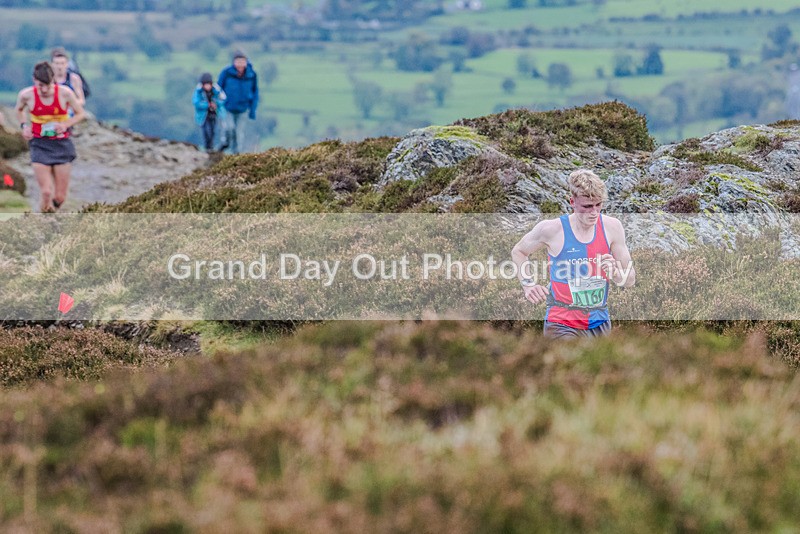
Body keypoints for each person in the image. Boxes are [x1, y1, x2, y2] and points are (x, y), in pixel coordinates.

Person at [511, 169, 635, 339]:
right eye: (587, 206)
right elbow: (519, 251)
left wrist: (615, 273)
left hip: (599, 321)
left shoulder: (612, 227)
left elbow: (630, 280)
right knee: (570, 364)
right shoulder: (552, 229)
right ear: (572, 202)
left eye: (598, 205)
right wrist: (528, 285)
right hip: (561, 322)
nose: (594, 212)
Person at [15, 61, 86, 212]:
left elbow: (80, 113)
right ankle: (42, 225)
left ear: (53, 80)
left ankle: (51, 216)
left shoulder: (65, 93)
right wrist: (24, 126)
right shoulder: (26, 95)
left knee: (60, 197)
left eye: (47, 85)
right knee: (46, 192)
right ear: (34, 80)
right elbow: (19, 110)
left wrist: (65, 124)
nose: (44, 89)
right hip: (39, 144)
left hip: (61, 144)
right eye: (40, 85)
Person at [217, 50, 259, 154]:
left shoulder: (251, 75)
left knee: (238, 132)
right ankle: (225, 142)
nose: (240, 64)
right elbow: (218, 88)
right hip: (227, 107)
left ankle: (236, 153)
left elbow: (255, 92)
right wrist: (217, 103)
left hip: (243, 108)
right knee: (229, 128)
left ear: (246, 62)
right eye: (238, 61)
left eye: (242, 61)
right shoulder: (226, 73)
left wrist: (252, 109)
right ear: (234, 62)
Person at [193, 72, 226, 152]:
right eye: (205, 84)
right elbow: (196, 103)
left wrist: (216, 104)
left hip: (214, 114)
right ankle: (207, 147)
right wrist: (207, 105)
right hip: (203, 116)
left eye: (209, 84)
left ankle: (210, 147)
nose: (207, 86)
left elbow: (223, 99)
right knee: (206, 131)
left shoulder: (216, 90)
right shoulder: (199, 91)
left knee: (213, 131)